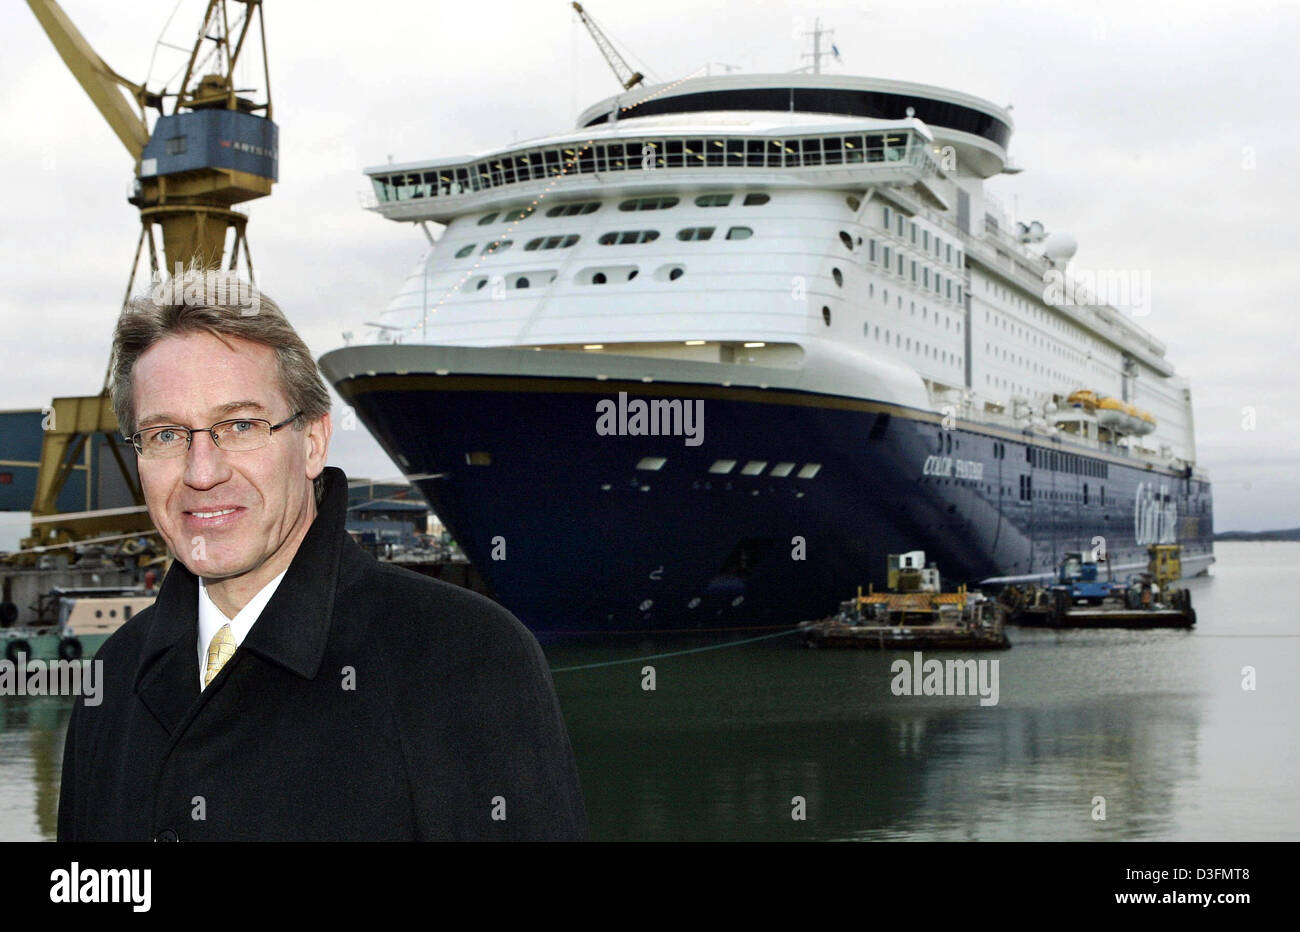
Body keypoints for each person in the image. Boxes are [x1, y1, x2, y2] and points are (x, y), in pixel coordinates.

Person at [57, 271, 587, 840]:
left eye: (239, 425)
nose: (201, 472)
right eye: (165, 435)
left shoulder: (464, 657)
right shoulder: (111, 677)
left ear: (312, 441)